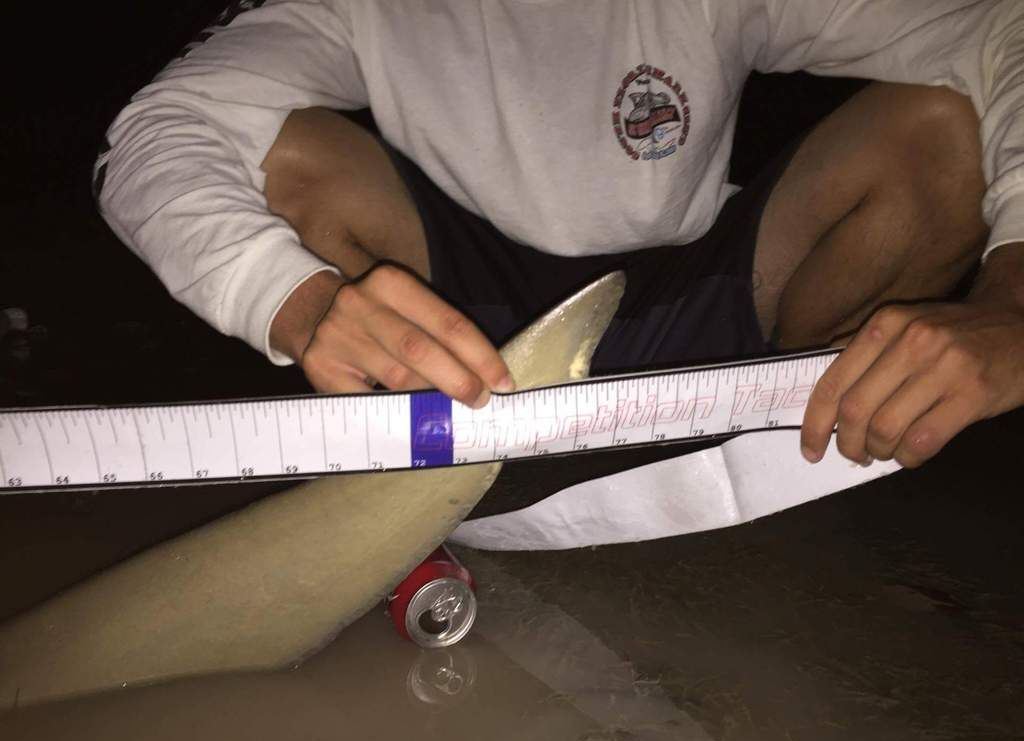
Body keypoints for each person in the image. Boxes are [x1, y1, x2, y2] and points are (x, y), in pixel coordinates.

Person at [96, 0, 1024, 470]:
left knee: (940, 131)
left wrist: (1014, 303)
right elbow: (159, 127)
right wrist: (295, 302)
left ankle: (818, 426)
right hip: (462, 336)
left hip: (707, 310)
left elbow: (998, 27)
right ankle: (403, 441)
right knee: (288, 154)